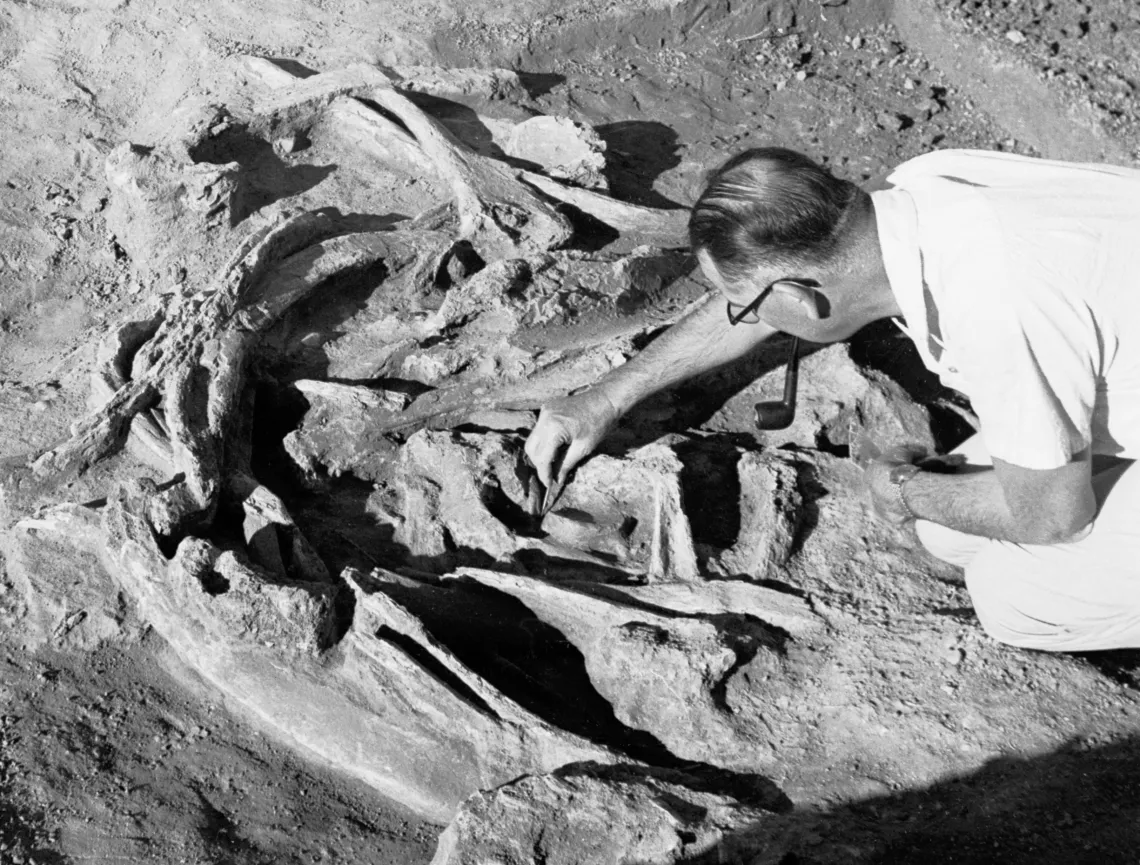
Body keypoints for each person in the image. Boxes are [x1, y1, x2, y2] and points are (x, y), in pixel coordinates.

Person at [524, 146, 1140, 653]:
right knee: (953, 536)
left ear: (800, 296)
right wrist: (605, 399)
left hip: (1054, 390)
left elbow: (1052, 514)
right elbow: (760, 292)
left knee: (1015, 600)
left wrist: (898, 487)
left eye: (750, 304)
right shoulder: (921, 188)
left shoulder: (996, 307)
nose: (748, 317)